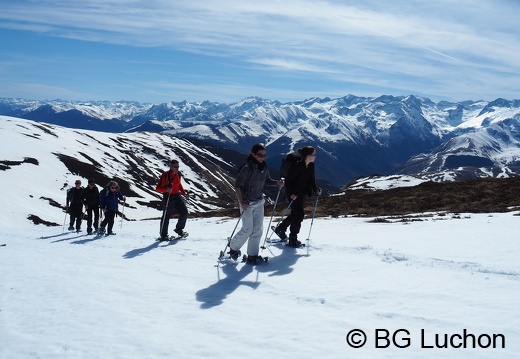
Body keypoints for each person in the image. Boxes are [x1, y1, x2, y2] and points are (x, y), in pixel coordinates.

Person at [228, 144, 284, 263]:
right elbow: (237, 185)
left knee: (258, 229)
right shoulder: (247, 168)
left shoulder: (263, 166)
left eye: (264, 155)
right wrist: (241, 201)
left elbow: (267, 180)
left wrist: (277, 183)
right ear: (253, 154)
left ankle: (252, 256)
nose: (262, 157)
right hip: (247, 203)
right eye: (260, 155)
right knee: (247, 229)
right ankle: (233, 247)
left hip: (259, 202)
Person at [275, 146, 322, 247]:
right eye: (314, 155)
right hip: (292, 193)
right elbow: (288, 181)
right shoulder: (297, 166)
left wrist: (315, 189)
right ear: (308, 156)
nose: (315, 157)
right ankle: (293, 239)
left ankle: (280, 228)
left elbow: (311, 179)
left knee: (295, 214)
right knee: (300, 214)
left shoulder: (311, 166)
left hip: (301, 193)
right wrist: (291, 193)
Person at [156, 160, 189, 240]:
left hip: (176, 195)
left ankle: (179, 229)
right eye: (175, 166)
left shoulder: (178, 174)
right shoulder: (165, 175)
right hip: (168, 197)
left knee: (184, 211)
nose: (177, 168)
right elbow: (157, 188)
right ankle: (163, 235)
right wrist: (166, 190)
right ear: (170, 166)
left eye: (178, 166)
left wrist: (184, 193)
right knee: (166, 216)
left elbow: (179, 184)